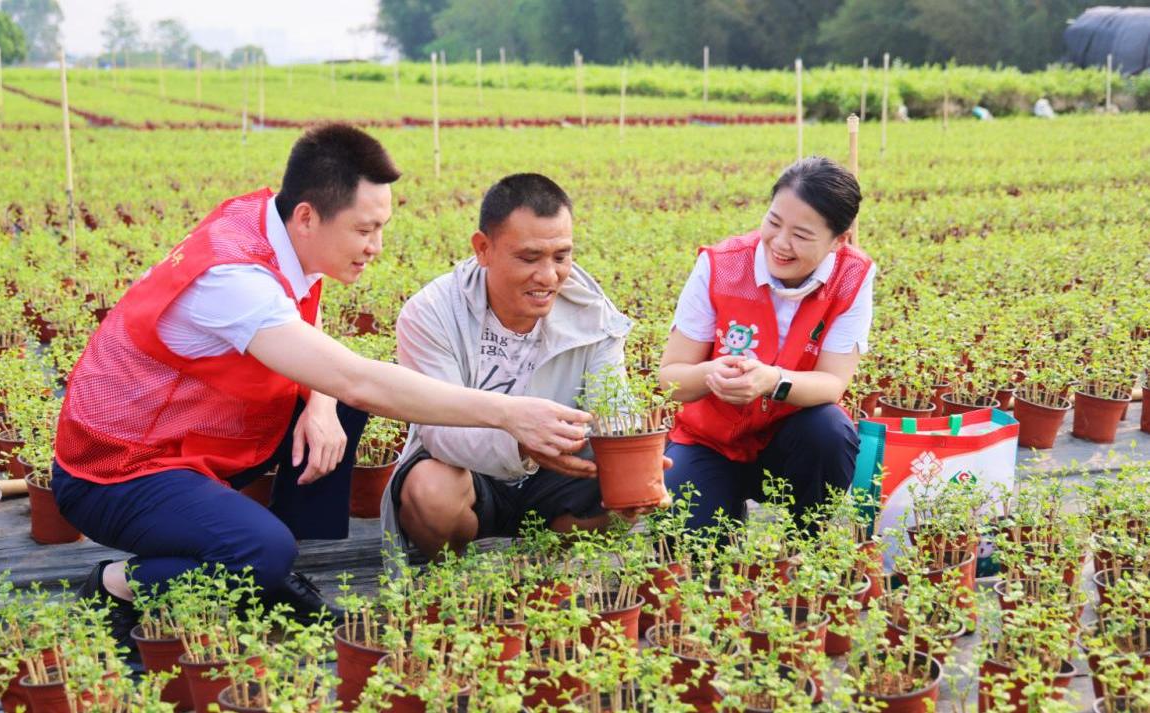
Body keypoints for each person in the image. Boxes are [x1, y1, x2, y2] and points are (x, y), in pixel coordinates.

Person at [51, 126, 592, 640]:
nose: (376, 246)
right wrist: (508, 412)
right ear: (308, 216)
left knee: (336, 405)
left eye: (381, 227)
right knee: (259, 548)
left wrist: (321, 404)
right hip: (117, 470)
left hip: (189, 438)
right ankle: (119, 586)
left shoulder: (273, 225)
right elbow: (355, 376)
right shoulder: (233, 279)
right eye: (364, 229)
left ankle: (276, 571)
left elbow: (322, 358)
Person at [380, 173, 634, 558]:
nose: (549, 277)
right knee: (431, 493)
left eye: (561, 256)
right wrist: (520, 440)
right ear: (483, 249)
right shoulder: (432, 312)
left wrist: (635, 460)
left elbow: (612, 409)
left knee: (625, 489)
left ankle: (545, 567)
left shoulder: (594, 315)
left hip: (556, 471)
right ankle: (454, 571)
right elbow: (438, 431)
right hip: (465, 470)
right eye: (529, 258)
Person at [659, 156, 875, 529]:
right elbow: (670, 378)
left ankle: (805, 546)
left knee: (829, 430)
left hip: (790, 443)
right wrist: (711, 373)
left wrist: (773, 381)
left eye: (802, 235)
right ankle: (722, 508)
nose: (780, 243)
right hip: (710, 442)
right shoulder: (721, 266)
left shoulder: (852, 277)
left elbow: (833, 382)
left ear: (839, 240)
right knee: (693, 552)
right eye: (774, 222)